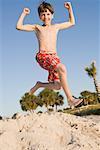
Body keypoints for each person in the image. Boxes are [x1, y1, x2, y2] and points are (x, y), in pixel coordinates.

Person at [16, 1, 83, 108]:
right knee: (62, 68)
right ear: (39, 16)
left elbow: (71, 22)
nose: (45, 16)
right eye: (42, 14)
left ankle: (39, 85)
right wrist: (24, 14)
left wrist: (69, 9)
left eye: (47, 14)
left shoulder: (56, 27)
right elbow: (19, 26)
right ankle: (70, 99)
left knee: (57, 86)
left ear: (52, 15)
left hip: (54, 58)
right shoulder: (37, 28)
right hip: (43, 56)